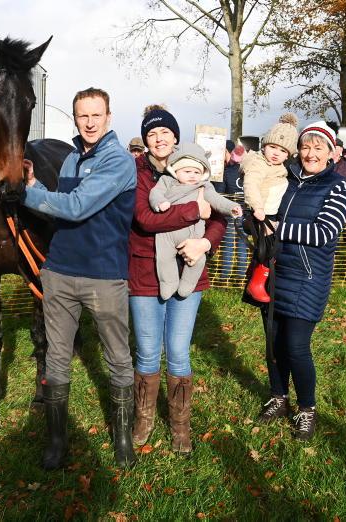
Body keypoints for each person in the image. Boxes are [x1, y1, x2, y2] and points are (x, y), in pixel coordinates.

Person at [22, 87, 137, 469]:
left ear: (108, 117)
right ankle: (56, 442)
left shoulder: (119, 161)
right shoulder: (71, 159)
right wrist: (35, 185)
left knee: (117, 357)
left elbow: (75, 207)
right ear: (75, 118)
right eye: (82, 115)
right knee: (57, 357)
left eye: (96, 115)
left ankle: (123, 439)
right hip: (59, 273)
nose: (89, 123)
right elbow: (58, 210)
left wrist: (23, 194)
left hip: (104, 276)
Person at [128, 105, 227, 455]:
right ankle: (143, 419)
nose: (159, 139)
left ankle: (180, 426)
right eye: (152, 134)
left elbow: (217, 215)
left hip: (189, 268)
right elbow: (144, 218)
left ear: (175, 137)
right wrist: (192, 211)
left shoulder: (194, 165)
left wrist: (205, 242)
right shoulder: (137, 173)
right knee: (147, 351)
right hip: (144, 272)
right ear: (146, 139)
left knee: (179, 351)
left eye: (165, 133)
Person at [255, 121, 346, 441]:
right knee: (273, 344)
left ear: (331, 153)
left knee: (296, 347)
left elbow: (324, 233)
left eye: (318, 148)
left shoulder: (337, 187)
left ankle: (307, 408)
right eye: (305, 147)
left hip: (308, 279)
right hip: (274, 273)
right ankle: (279, 397)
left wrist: (276, 228)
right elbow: (261, 209)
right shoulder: (284, 178)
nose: (310, 153)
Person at [149, 143, 241, 298]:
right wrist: (160, 202)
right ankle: (168, 283)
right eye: (187, 171)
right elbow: (155, 193)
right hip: (166, 233)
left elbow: (216, 199)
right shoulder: (166, 181)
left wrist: (231, 207)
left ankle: (187, 284)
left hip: (194, 235)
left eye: (197, 172)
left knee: (198, 260)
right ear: (176, 170)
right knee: (164, 258)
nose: (192, 175)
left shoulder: (204, 186)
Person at [241, 113, 298, 302]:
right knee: (269, 250)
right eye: (272, 147)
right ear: (264, 146)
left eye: (282, 150)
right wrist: (257, 207)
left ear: (288, 155)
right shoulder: (259, 164)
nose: (276, 153)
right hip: (260, 214)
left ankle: (256, 275)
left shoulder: (279, 168)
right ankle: (256, 284)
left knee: (269, 249)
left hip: (270, 214)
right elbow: (251, 185)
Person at [218, 142, 248, 281]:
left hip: (230, 212)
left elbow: (221, 193)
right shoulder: (248, 170)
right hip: (245, 212)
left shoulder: (226, 171)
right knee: (243, 244)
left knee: (228, 245)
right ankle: (241, 275)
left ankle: (225, 275)